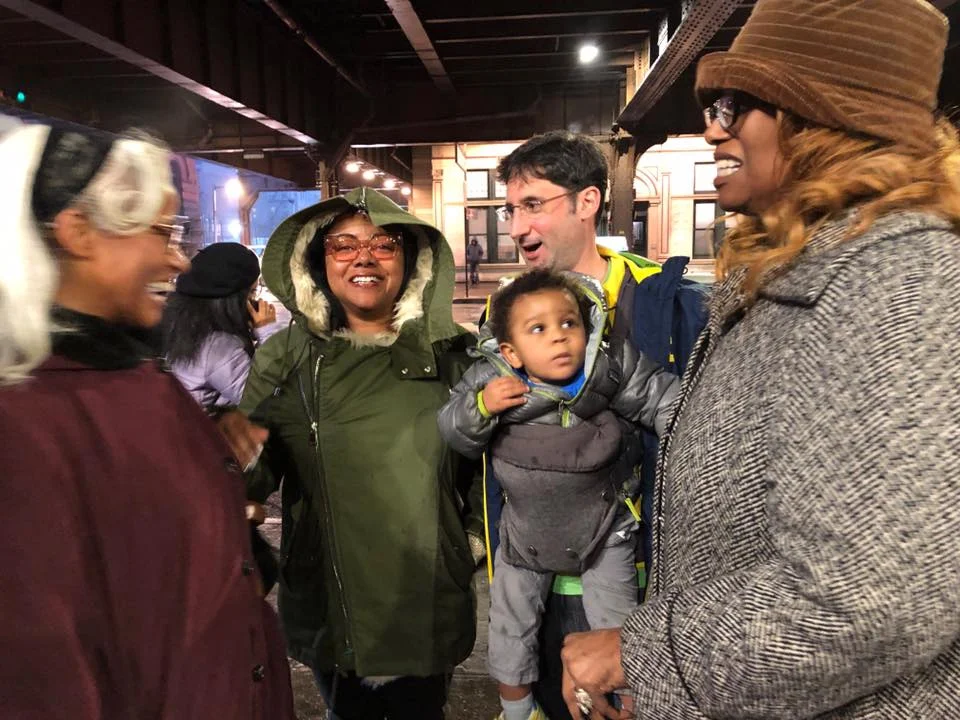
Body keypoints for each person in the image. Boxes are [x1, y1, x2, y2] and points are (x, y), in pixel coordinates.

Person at [559, 1, 960, 718]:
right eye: (712, 106)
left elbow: (872, 601)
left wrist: (646, 656)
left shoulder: (898, 282)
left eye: (735, 106)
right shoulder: (797, 277)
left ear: (824, 119)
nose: (712, 129)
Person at [0, 124, 294, 719]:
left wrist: (212, 492)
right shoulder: (22, 422)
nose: (177, 259)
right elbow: (40, 672)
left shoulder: (132, 376)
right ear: (79, 232)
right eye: (162, 232)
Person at [233, 187, 480, 720]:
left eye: (384, 244)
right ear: (317, 263)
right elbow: (248, 469)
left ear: (411, 260)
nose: (363, 258)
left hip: (426, 590)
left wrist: (473, 543)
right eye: (343, 245)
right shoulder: (286, 356)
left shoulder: (453, 355)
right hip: (329, 594)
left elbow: (488, 471)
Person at [490, 130, 704, 718]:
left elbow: (696, 427)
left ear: (587, 202)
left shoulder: (665, 302)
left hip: (631, 578)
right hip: (532, 576)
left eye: (533, 204)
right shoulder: (504, 310)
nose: (517, 227)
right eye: (511, 210)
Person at [438, 269, 677, 720]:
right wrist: (482, 406)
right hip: (525, 532)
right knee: (510, 627)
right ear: (510, 351)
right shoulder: (493, 379)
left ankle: (628, 706)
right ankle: (516, 710)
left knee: (618, 627)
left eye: (569, 323)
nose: (558, 337)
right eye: (538, 329)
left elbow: (666, 401)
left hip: (604, 528)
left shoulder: (606, 367)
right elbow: (452, 429)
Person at [162, 241, 278, 413]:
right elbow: (266, 401)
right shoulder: (218, 348)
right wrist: (267, 332)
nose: (256, 301)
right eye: (252, 292)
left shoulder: (180, 327)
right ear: (232, 300)